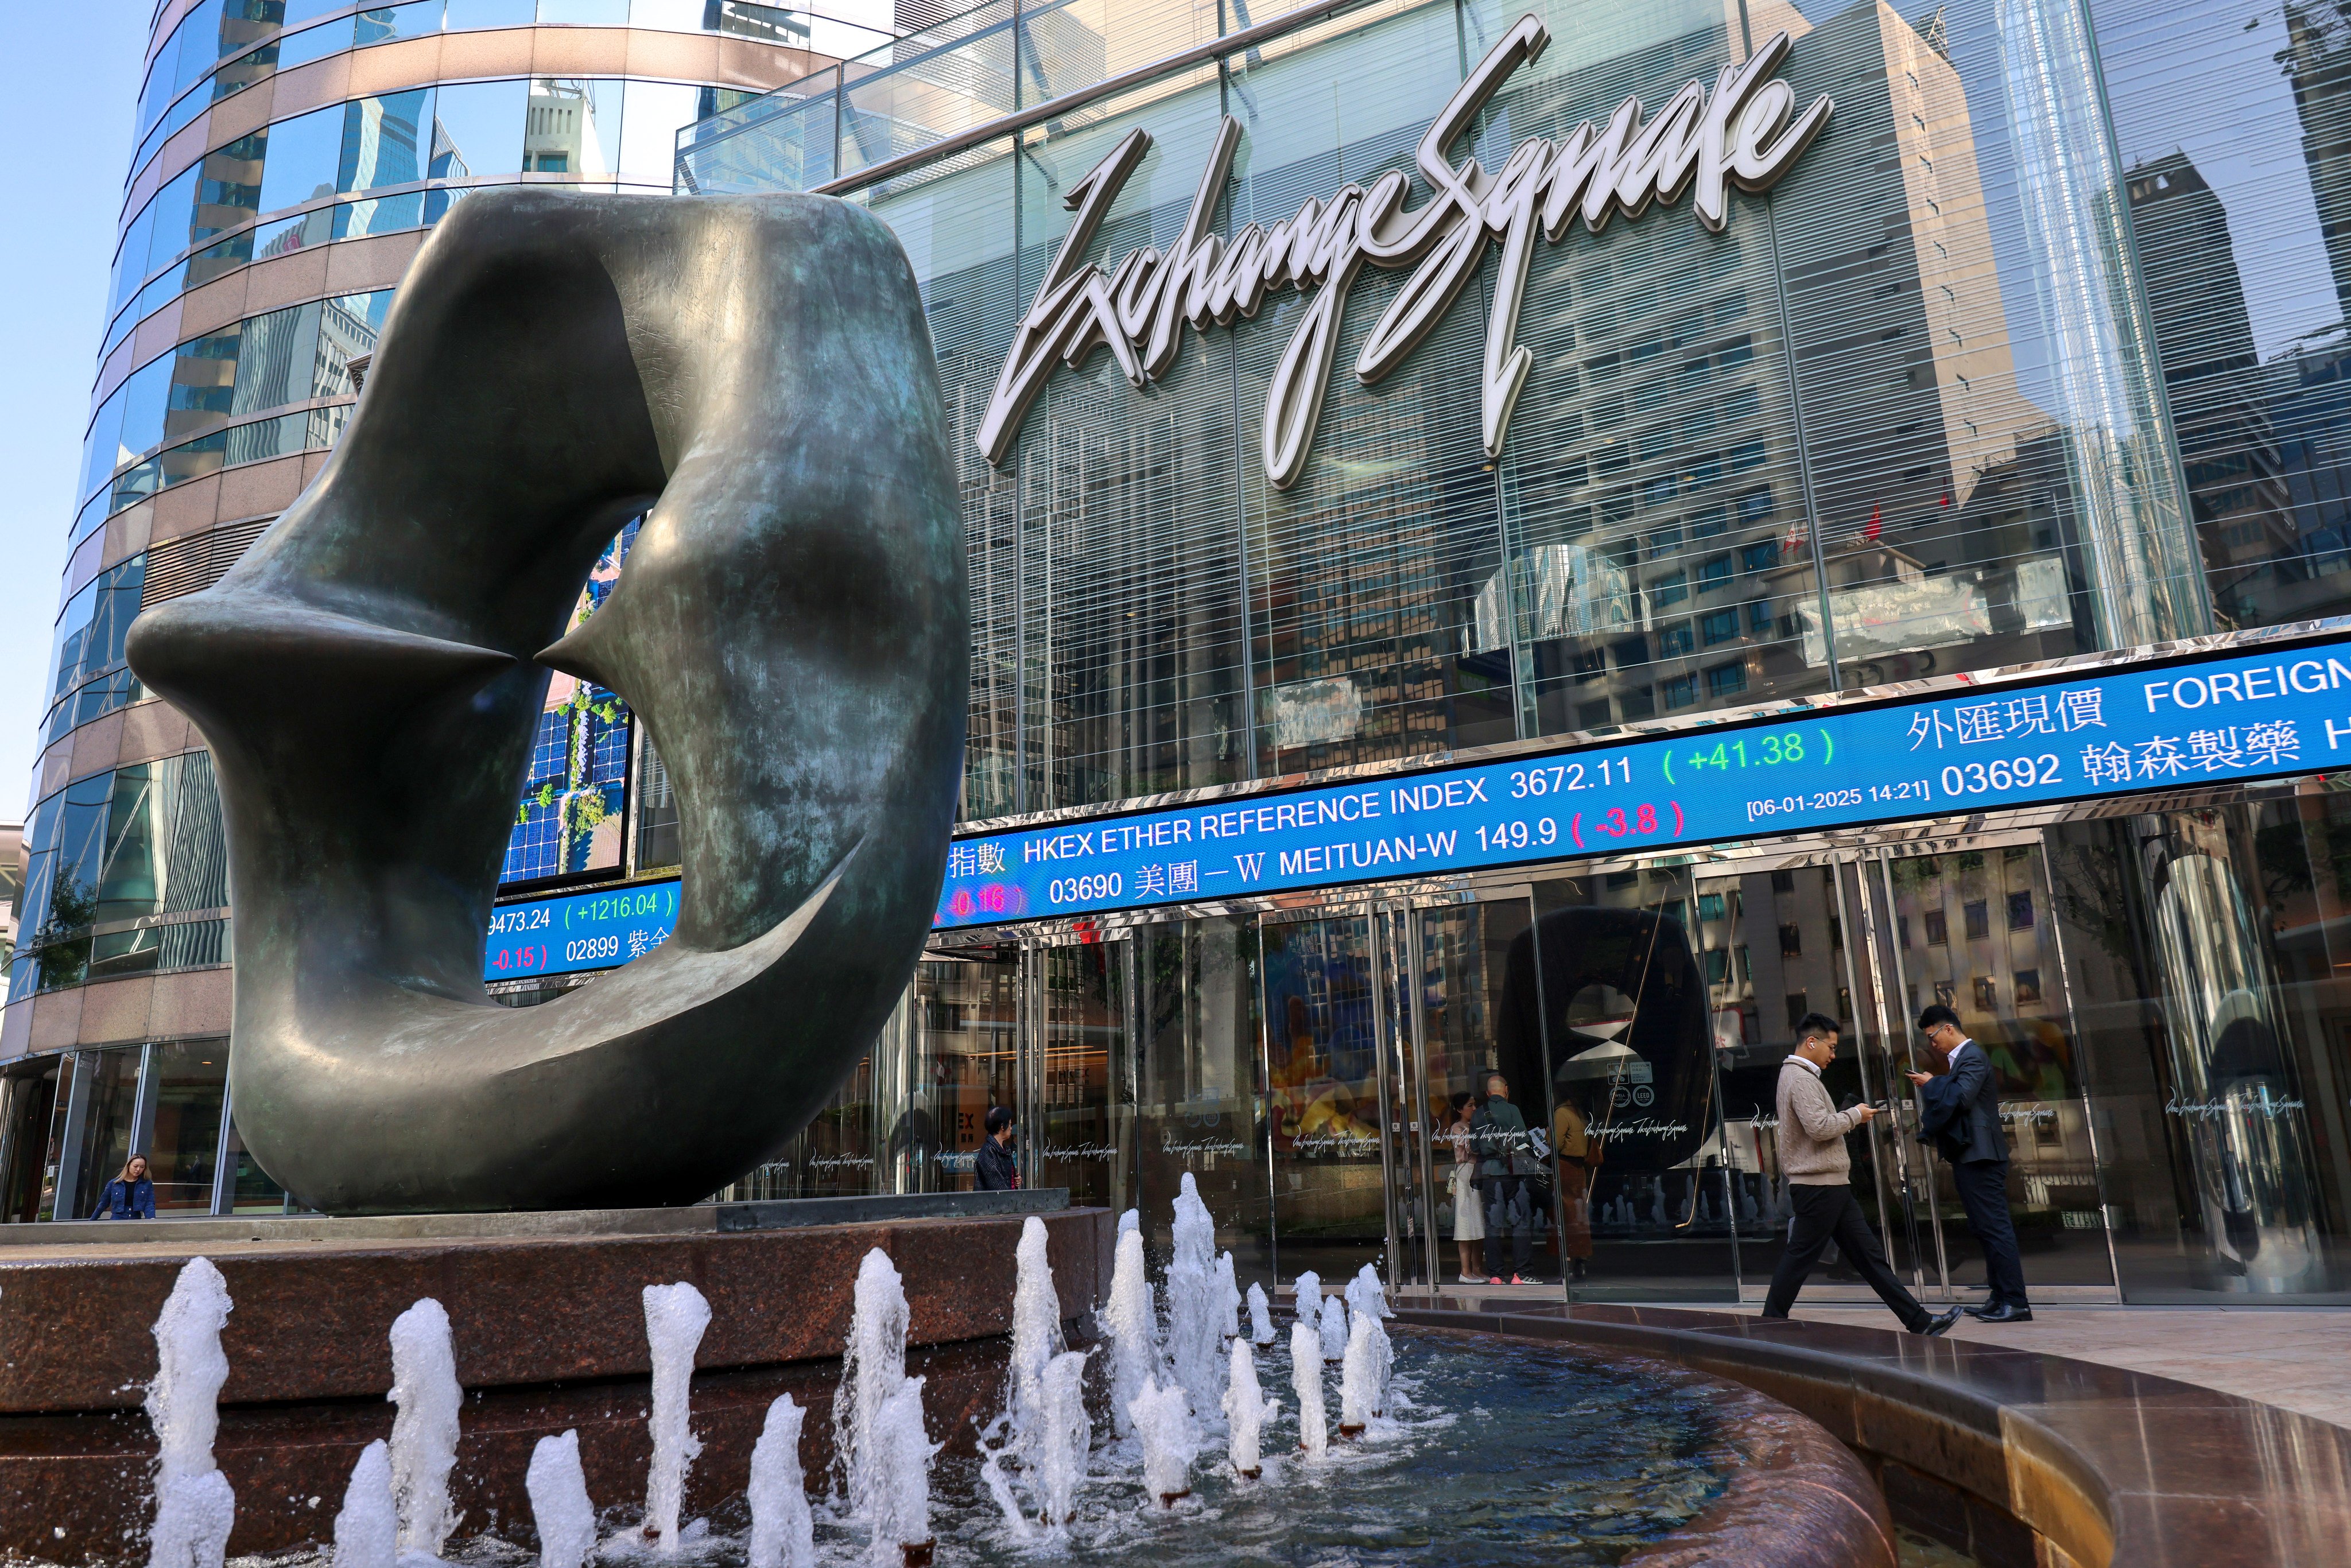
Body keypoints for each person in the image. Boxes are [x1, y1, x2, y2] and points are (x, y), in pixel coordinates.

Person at [1760, 1014, 1960, 1337]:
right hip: (1818, 1187)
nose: (1834, 1055)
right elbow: (1820, 1128)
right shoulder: (1799, 1079)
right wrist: (1856, 1115)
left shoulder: (1800, 1077)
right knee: (1800, 1260)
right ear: (1812, 1042)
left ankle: (1920, 1322)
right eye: (1832, 1046)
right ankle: (1767, 1325)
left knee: (1870, 1259)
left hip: (1830, 1186)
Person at [1909, 1005, 2030, 1322]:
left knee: (1995, 1228)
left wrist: (1931, 1082)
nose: (1932, 1043)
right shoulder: (1961, 1060)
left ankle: (2015, 1302)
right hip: (1971, 1154)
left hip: (1982, 1155)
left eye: (1933, 1035)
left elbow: (1962, 1097)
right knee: (1985, 1228)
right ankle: (2000, 1296)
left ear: (1948, 1029)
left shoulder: (1973, 1056)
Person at [1472, 1072, 1541, 1284]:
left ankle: (1495, 1275)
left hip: (1490, 1174)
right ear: (1506, 1090)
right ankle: (1521, 1274)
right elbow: (1523, 1139)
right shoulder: (1513, 1110)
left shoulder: (1477, 1114)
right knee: (1519, 1222)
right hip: (1512, 1172)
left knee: (1493, 1224)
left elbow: (1475, 1147)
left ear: (1487, 1093)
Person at [1552, 1088, 1601, 1282]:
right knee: (1579, 1215)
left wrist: (1547, 1136)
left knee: (1566, 1215)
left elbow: (1556, 1144)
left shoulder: (1561, 1113)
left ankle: (1568, 1263)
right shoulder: (1578, 1112)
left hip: (1565, 1168)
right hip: (1579, 1169)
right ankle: (1580, 1261)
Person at [1445, 1091, 1485, 1282]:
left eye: (1474, 1104)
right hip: (1466, 1174)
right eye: (1470, 1106)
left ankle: (1477, 1269)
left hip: (1477, 1172)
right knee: (1466, 1227)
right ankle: (1465, 1272)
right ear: (1460, 1109)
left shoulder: (1473, 1125)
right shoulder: (1457, 1128)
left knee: (1479, 1226)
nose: (1474, 1109)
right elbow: (1470, 1150)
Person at [90, 1155, 156, 1220]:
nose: (138, 1169)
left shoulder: (146, 1184)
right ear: (128, 1166)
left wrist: (151, 1219)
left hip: (135, 1220)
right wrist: (92, 1221)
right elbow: (103, 1204)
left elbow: (149, 1204)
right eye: (135, 1166)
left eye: (142, 1167)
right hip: (117, 1220)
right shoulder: (114, 1184)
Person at [974, 1106, 1019, 1191]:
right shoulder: (988, 1152)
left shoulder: (1005, 1149)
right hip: (997, 1203)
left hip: (1009, 1201)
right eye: (1010, 1124)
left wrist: (1014, 1180)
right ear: (1002, 1127)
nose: (1011, 1128)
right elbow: (998, 1186)